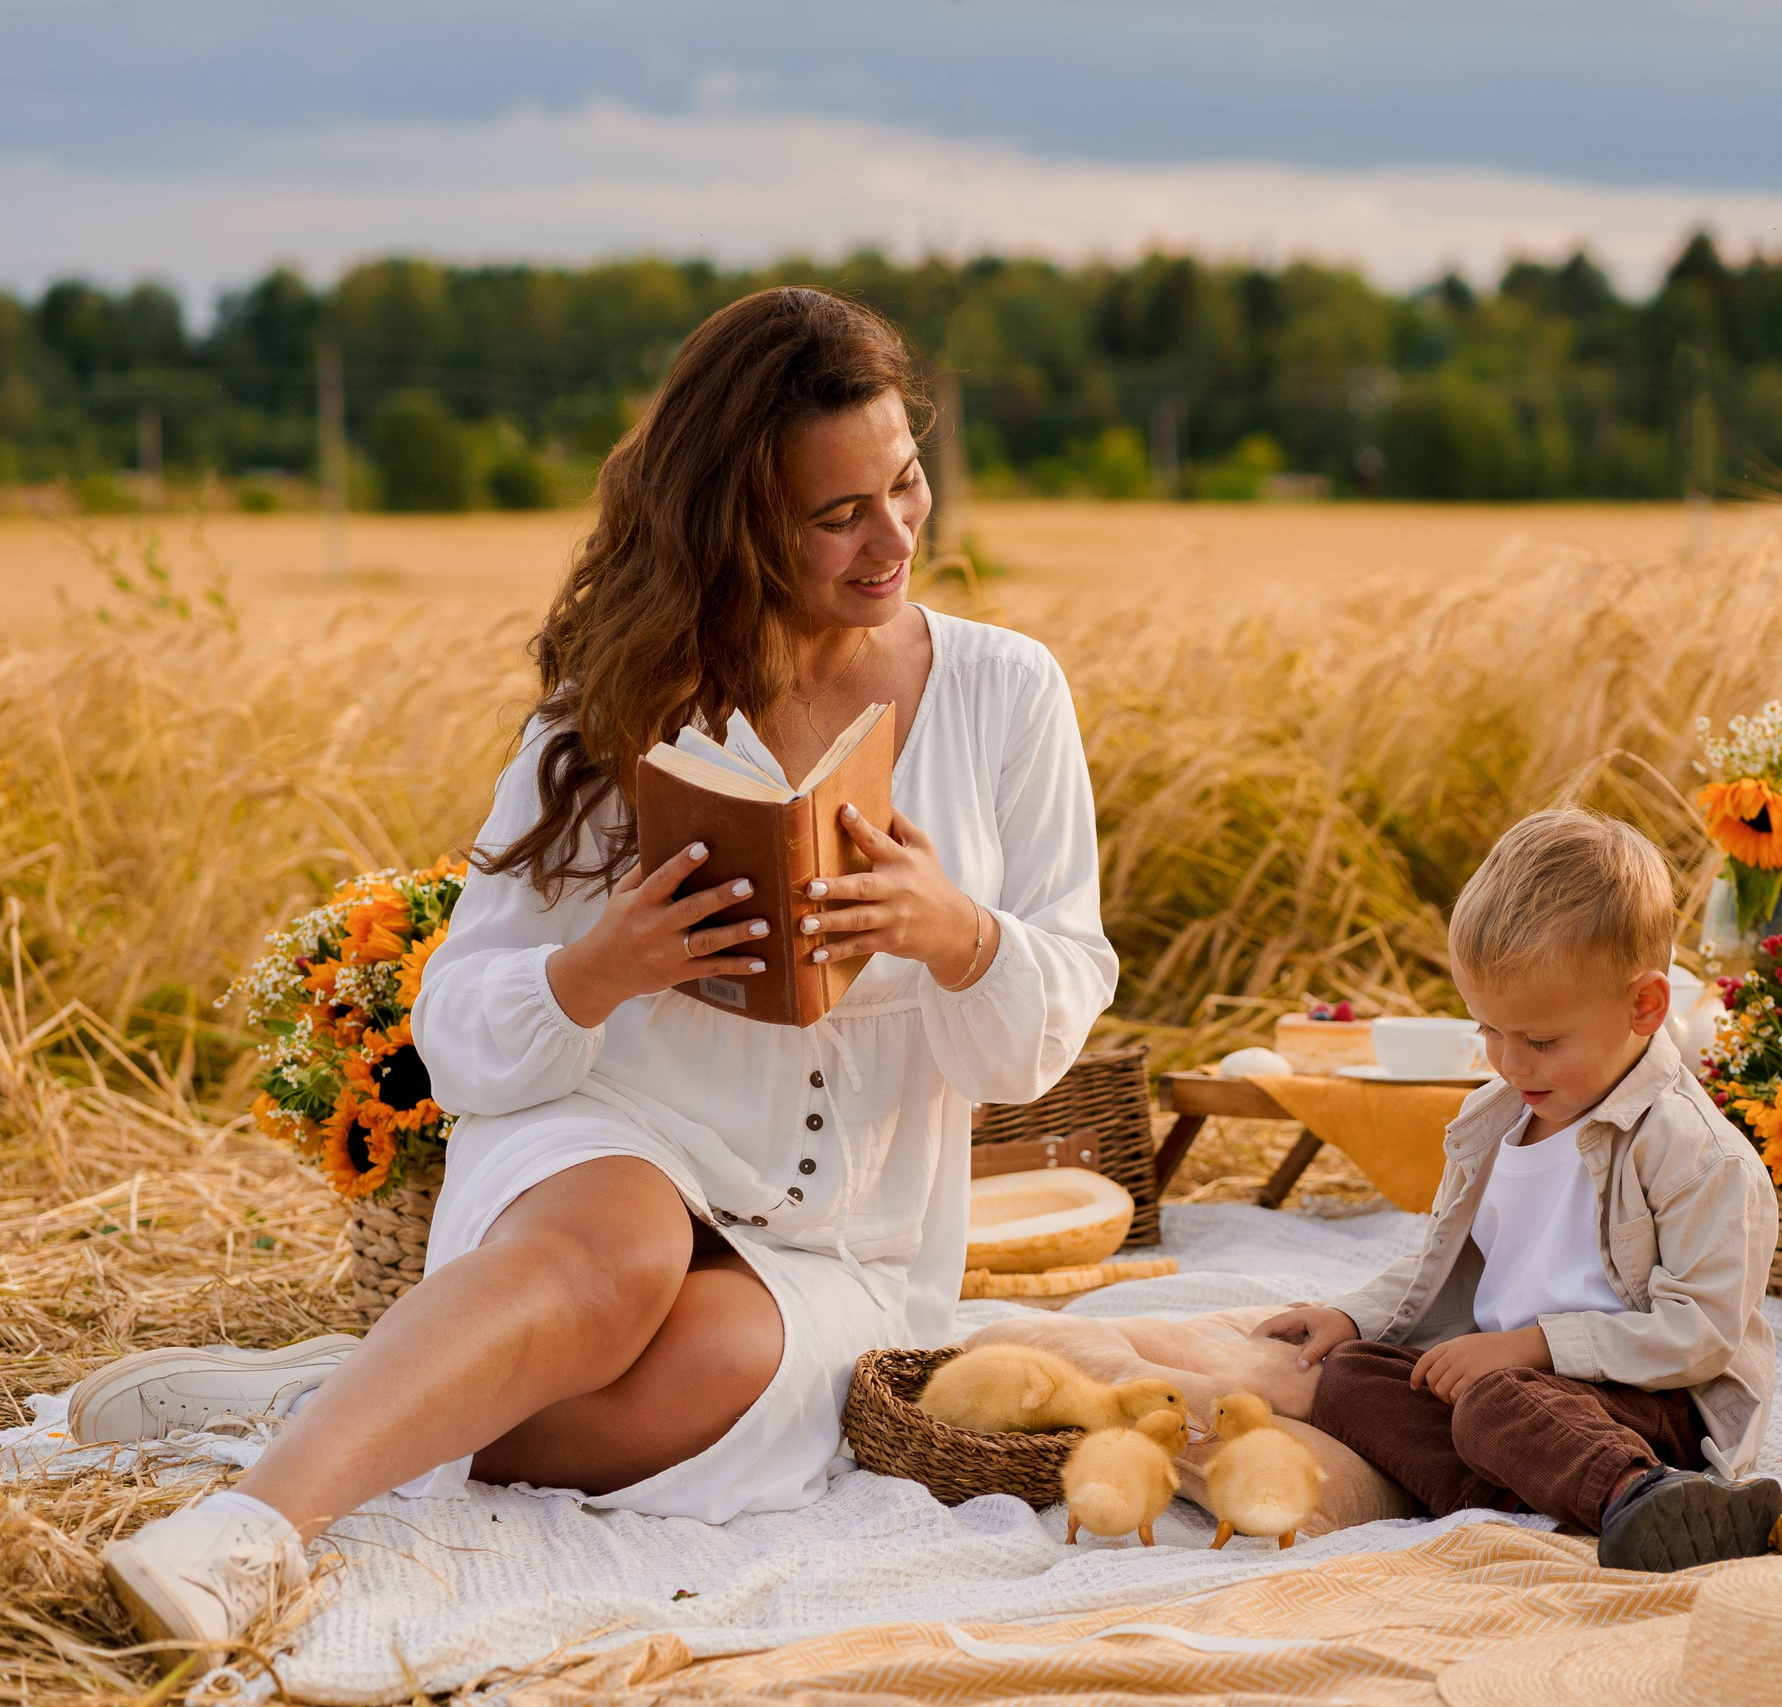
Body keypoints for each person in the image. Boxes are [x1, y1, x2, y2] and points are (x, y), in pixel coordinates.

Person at [76, 287, 1117, 1653]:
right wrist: (595, 969)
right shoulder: (616, 706)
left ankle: (350, 1394)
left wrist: (956, 932)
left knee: (709, 1366)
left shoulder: (1007, 690)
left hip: (850, 1234)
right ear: (740, 524)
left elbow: (1042, 1030)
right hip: (610, 1136)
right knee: (621, 1256)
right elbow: (457, 1031)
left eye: (906, 484)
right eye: (837, 514)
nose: (894, 537)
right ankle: (247, 1532)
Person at [1253, 808, 1782, 1570]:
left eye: (1539, 1040)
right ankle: (1534, 1494)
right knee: (1352, 1379)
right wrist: (1352, 1316)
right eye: (1489, 1031)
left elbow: (1699, 1334)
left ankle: (1641, 1493)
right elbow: (1446, 1264)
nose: (1509, 1062)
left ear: (1645, 1006)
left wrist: (1530, 1347)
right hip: (1511, 1386)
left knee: (1494, 1404)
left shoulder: (1695, 1152)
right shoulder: (1496, 1120)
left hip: (1644, 1400)